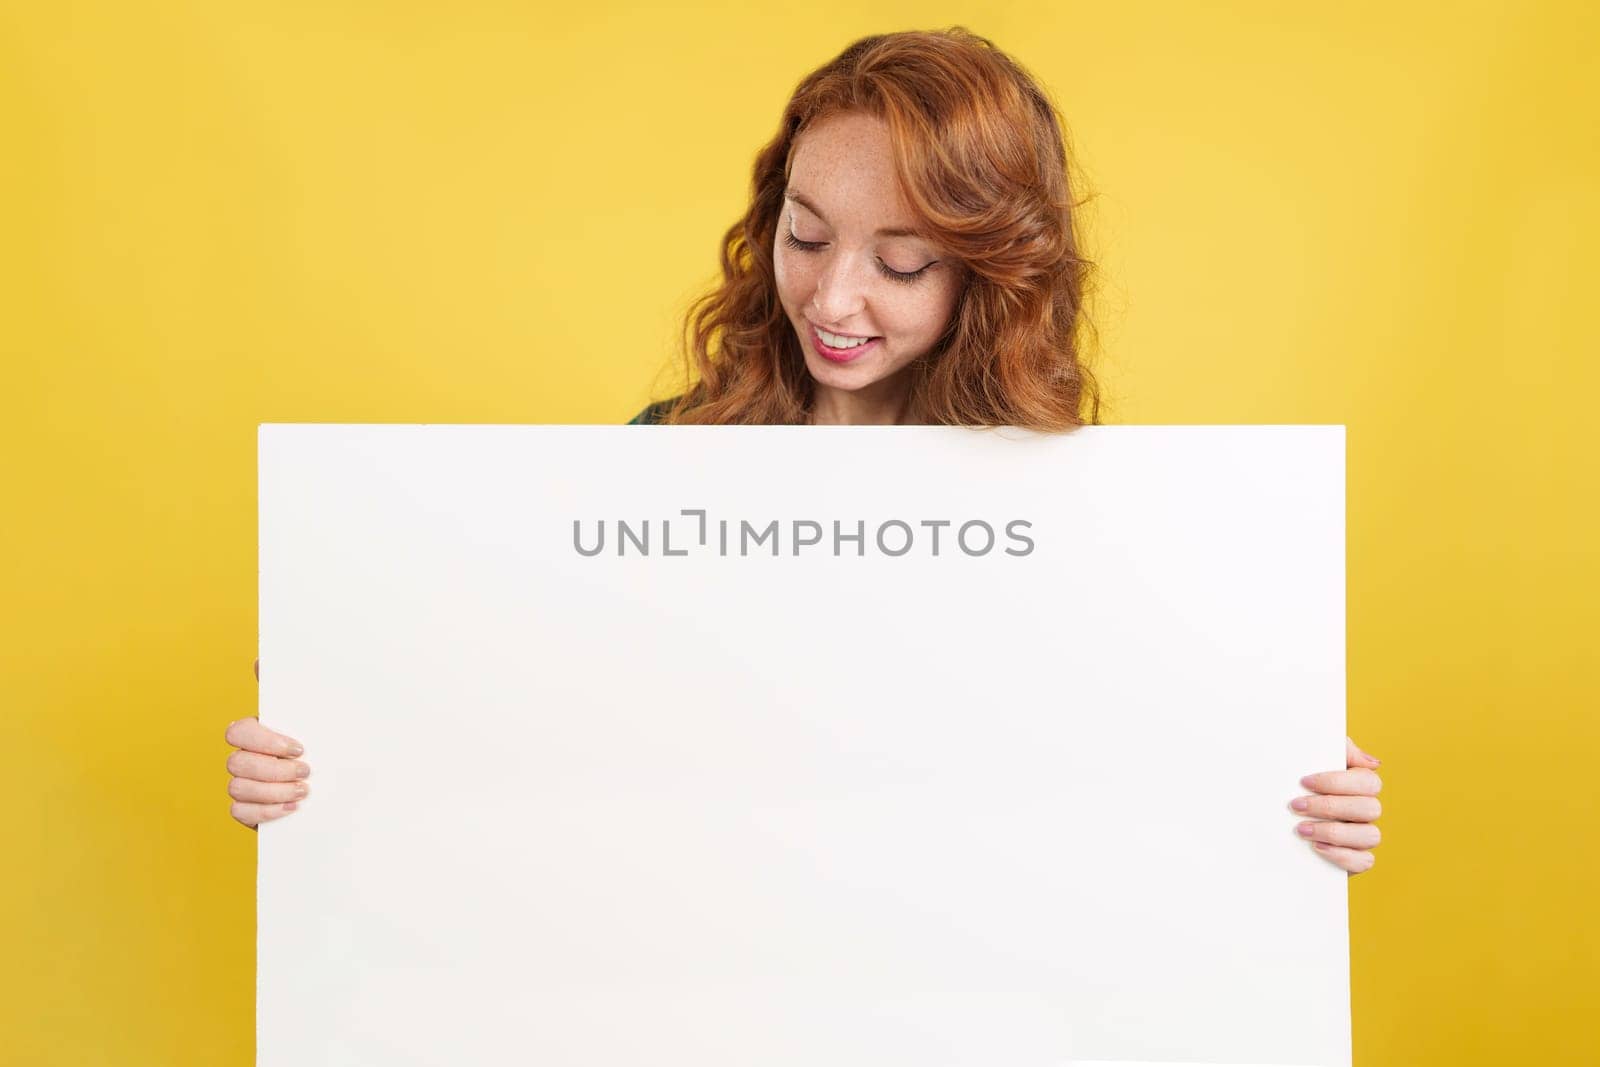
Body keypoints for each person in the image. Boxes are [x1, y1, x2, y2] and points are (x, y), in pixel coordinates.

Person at [225, 28, 1383, 873]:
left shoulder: (1078, 517)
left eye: (903, 262)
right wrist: (337, 724)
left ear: (991, 271)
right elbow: (522, 706)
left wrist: (1281, 771)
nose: (833, 297)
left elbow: (1130, 767)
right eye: (807, 234)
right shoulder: (661, 461)